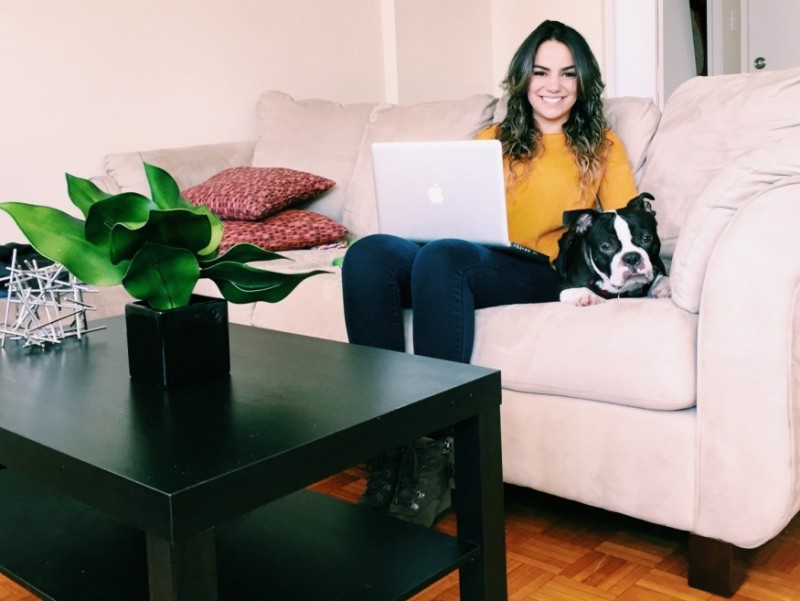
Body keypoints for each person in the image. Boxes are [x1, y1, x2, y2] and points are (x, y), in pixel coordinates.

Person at [341, 20, 639, 526]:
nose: (554, 84)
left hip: (539, 271)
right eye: (541, 71)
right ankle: (389, 442)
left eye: (568, 73)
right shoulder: (491, 138)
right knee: (369, 254)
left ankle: (434, 452)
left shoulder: (602, 146)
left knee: (443, 257)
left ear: (584, 81)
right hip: (468, 255)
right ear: (523, 77)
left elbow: (626, 227)